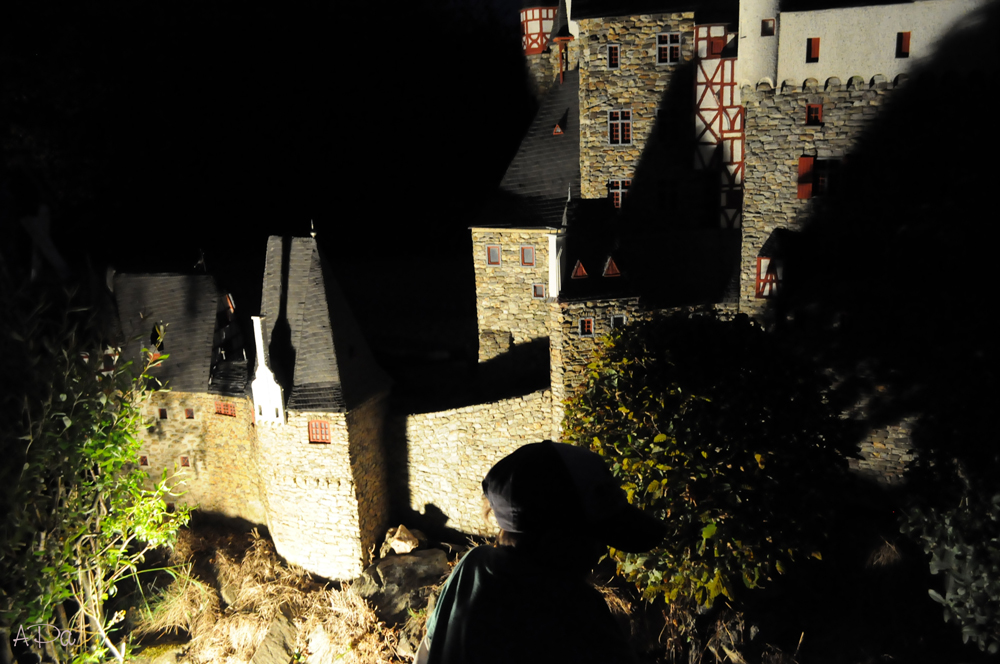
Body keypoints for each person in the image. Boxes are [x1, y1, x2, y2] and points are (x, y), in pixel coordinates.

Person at [415, 440, 666, 664]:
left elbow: (425, 653)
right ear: (557, 539)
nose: (600, 550)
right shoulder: (576, 612)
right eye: (594, 536)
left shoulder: (470, 570)